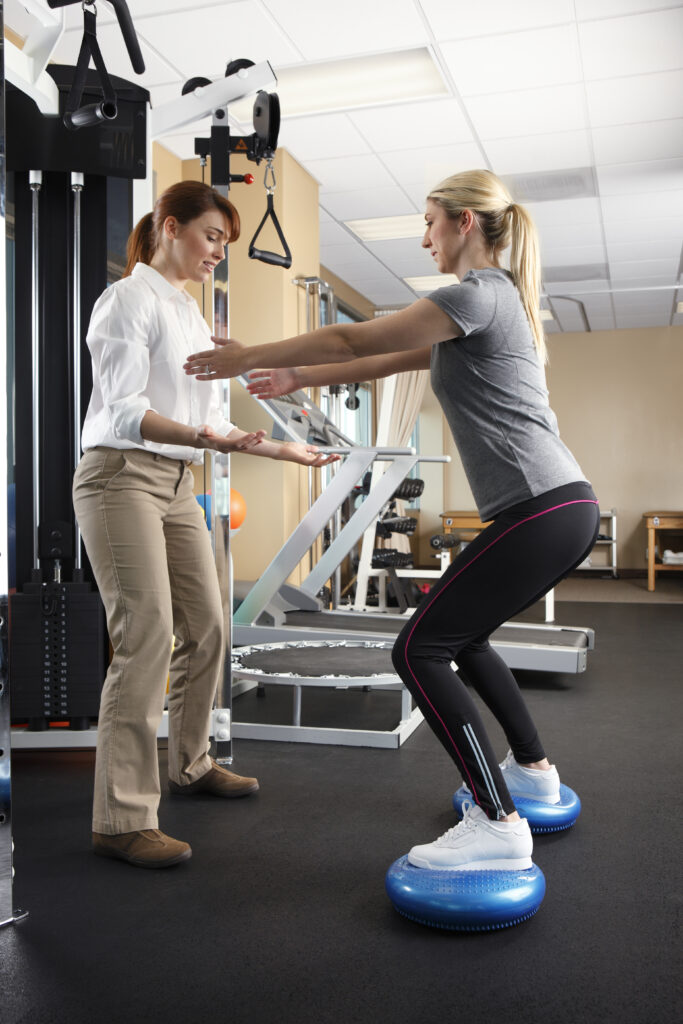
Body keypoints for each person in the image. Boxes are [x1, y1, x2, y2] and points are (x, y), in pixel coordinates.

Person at [183, 168, 600, 872]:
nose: (424, 235)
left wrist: (246, 357)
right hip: (554, 506)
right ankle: (531, 773)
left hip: (543, 505)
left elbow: (354, 341)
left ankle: (498, 821)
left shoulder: (475, 295)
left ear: (465, 223)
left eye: (431, 220)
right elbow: (392, 358)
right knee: (461, 639)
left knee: (417, 649)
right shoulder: (483, 307)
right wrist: (295, 379)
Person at [73, 181, 338, 870]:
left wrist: (285, 449)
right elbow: (126, 411)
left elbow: (212, 423)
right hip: (118, 475)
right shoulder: (126, 300)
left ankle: (189, 763)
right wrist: (204, 437)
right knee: (147, 634)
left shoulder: (191, 314)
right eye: (211, 235)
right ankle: (122, 819)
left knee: (210, 623)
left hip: (175, 480)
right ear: (169, 226)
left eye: (225, 240)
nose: (219, 251)